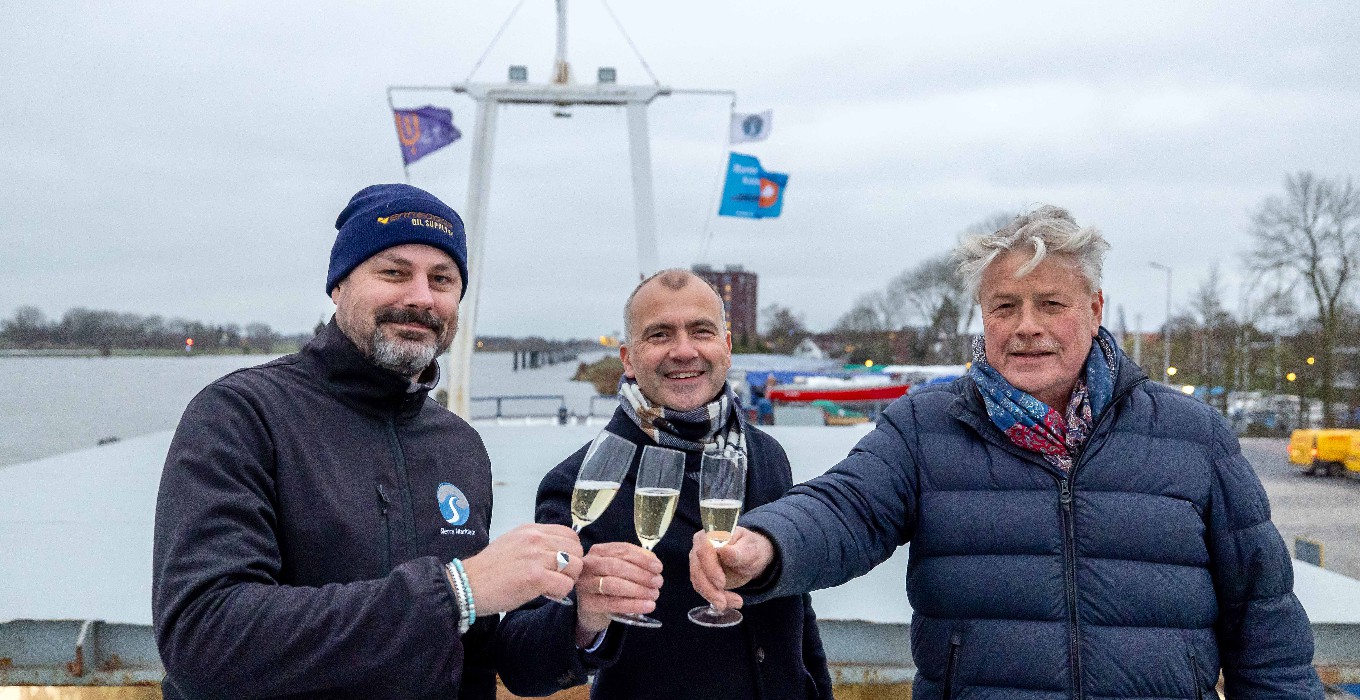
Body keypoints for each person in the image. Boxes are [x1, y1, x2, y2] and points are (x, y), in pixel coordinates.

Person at [692, 206, 1323, 700]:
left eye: (1051, 303)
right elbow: (846, 507)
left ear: (1095, 309)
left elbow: (1264, 619)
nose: (1027, 325)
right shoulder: (926, 426)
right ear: (983, 317)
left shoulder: (1192, 436)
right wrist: (767, 546)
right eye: (1005, 305)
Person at [152, 184, 585, 699]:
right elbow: (205, 637)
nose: (421, 297)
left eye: (442, 279)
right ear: (338, 286)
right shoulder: (242, 415)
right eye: (394, 273)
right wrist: (455, 592)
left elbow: (477, 652)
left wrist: (582, 625)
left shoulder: (459, 446)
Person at [497, 268, 833, 699]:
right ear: (628, 359)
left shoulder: (767, 455)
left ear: (726, 348)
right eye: (659, 335)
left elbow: (798, 608)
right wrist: (583, 618)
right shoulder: (581, 481)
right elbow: (522, 667)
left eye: (702, 331)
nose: (684, 350)